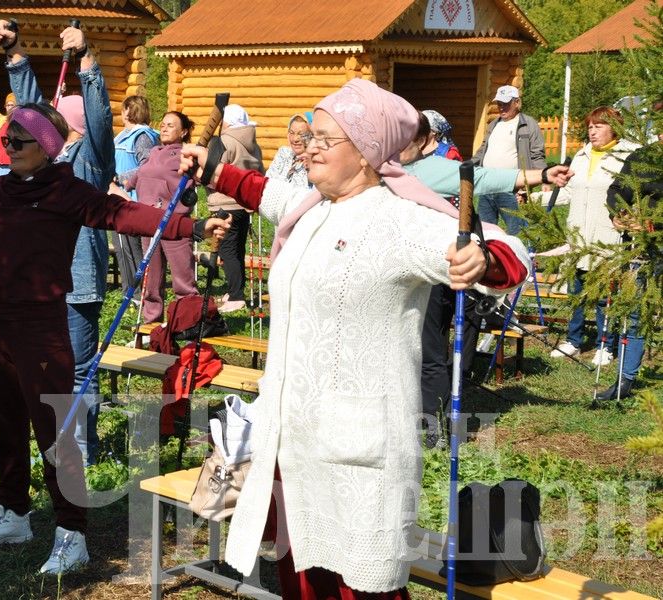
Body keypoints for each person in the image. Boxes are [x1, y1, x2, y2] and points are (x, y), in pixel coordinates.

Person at [181, 79, 529, 599]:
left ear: (366, 153)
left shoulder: (398, 220)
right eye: (311, 137)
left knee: (364, 583)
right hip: (293, 438)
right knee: (301, 575)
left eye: (326, 139)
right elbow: (267, 193)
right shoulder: (312, 209)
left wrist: (483, 259)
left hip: (359, 448)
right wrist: (211, 169)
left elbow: (503, 248)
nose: (310, 147)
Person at [0, 102, 229, 575]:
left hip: (39, 327)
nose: (7, 147)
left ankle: (73, 533)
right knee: (4, 424)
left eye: (18, 141)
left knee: (54, 433)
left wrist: (189, 226)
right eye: (6, 139)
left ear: (46, 148)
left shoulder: (66, 191)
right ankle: (14, 515)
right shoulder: (1, 190)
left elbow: (124, 214)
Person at [401, 112, 572, 447]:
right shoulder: (386, 167)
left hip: (436, 271)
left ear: (422, 141)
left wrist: (540, 175)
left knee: (430, 352)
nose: (395, 145)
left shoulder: (425, 170)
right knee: (420, 351)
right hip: (411, 273)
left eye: (405, 138)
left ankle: (433, 432)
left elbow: (482, 178)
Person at [0, 19, 115, 469]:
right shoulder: (41, 165)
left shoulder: (92, 160)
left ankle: (83, 448)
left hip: (78, 278)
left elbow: (101, 117)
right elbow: (28, 109)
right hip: (37, 282)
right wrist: (16, 55)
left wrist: (86, 59)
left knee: (79, 366)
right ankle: (52, 439)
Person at [548, 106, 641, 366]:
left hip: (607, 237)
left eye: (599, 126)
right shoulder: (581, 155)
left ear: (614, 127)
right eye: (590, 126)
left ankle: (605, 344)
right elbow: (568, 193)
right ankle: (573, 340)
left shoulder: (626, 156)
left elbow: (632, 195)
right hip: (578, 235)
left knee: (605, 294)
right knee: (575, 292)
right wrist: (533, 197)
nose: (592, 131)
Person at [113, 111, 199, 324]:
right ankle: (152, 320)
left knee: (182, 278)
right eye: (163, 124)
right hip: (149, 220)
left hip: (174, 221)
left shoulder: (186, 154)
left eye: (171, 125)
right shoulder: (154, 151)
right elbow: (140, 174)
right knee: (152, 278)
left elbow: (200, 177)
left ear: (184, 131)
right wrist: (124, 181)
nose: (165, 128)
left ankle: (187, 322)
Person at [597, 118, 663, 400]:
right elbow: (616, 190)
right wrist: (619, 214)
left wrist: (652, 224)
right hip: (644, 248)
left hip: (654, 233)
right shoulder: (643, 157)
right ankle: (625, 380)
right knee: (635, 312)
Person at [207, 104, 264, 313]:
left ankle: (237, 296)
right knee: (237, 249)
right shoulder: (253, 144)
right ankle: (234, 291)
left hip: (224, 202)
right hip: (244, 203)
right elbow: (260, 170)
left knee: (227, 250)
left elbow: (213, 171)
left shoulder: (223, 142)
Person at [472, 85, 547, 235]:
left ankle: (522, 257)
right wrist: (468, 165)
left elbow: (537, 154)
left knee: (517, 231)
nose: (501, 108)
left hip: (511, 188)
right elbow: (483, 149)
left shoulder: (528, 124)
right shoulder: (494, 124)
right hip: (487, 186)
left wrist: (544, 180)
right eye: (499, 104)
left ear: (517, 103)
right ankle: (488, 256)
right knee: (484, 231)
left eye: (506, 104)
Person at [112, 95, 159, 295]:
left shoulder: (142, 136)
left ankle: (139, 292)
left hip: (131, 199)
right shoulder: (125, 134)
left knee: (132, 248)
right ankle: (129, 291)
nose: (121, 114)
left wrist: (120, 178)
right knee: (123, 248)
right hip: (117, 197)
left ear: (129, 111)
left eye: (124, 109)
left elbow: (147, 167)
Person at [265, 113, 312, 189]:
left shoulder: (315, 161)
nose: (295, 139)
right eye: (292, 133)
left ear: (311, 136)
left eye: (301, 134)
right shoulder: (284, 153)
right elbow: (268, 181)